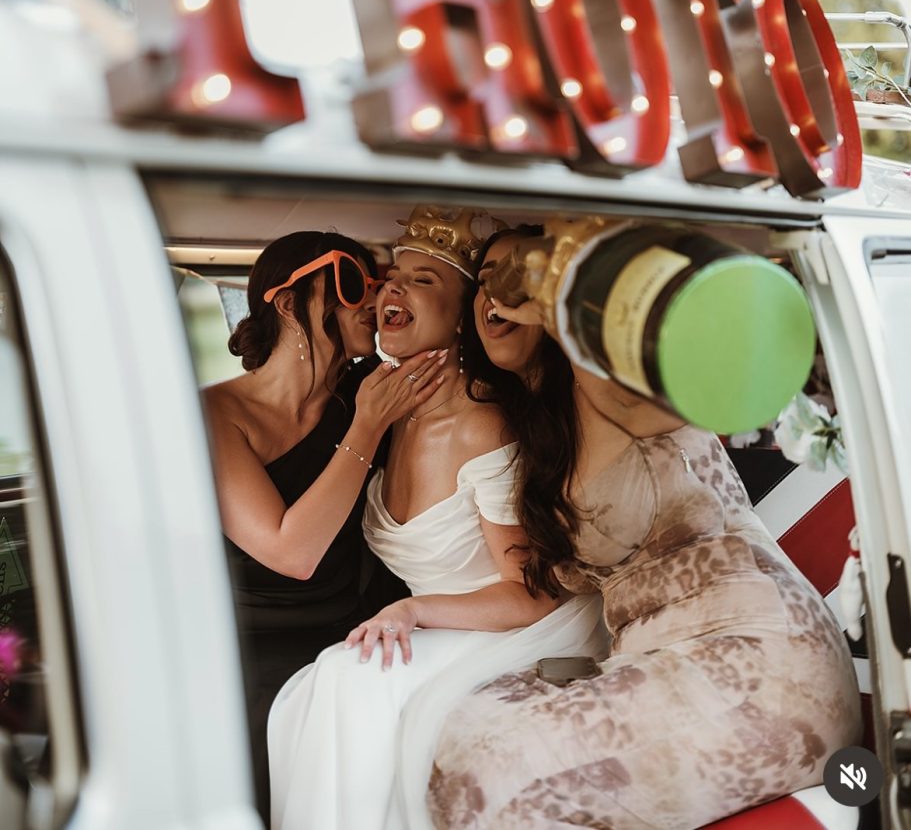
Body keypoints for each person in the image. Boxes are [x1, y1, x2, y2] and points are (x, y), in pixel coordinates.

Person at [427, 224, 863, 829]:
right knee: (474, 717)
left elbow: (711, 372)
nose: (494, 292)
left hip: (761, 659)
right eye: (484, 279)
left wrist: (557, 297)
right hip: (662, 656)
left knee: (492, 761)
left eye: (515, 270)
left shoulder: (623, 382)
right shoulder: (533, 438)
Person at [267, 209, 608, 830]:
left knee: (350, 677)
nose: (391, 288)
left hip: (517, 626)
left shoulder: (485, 425)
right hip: (444, 630)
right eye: (392, 276)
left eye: (423, 280)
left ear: (463, 316)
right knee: (324, 684)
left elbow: (531, 596)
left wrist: (413, 611)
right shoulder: (380, 407)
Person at [203, 230, 446, 818]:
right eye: (351, 281)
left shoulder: (372, 393)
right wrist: (364, 429)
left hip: (353, 628)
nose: (373, 297)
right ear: (287, 303)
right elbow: (292, 552)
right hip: (251, 649)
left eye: (380, 280)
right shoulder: (216, 414)